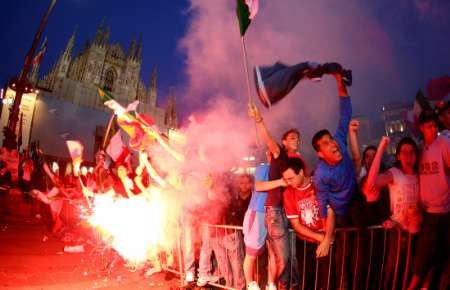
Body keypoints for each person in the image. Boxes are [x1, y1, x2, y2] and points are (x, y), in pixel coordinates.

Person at [311, 72, 361, 289]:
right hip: (339, 214)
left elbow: (345, 113)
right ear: (320, 154)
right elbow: (324, 207)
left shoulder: (340, 140)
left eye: (330, 139)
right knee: (340, 256)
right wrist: (326, 236)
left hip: (357, 201)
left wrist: (339, 81)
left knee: (361, 252)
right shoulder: (321, 175)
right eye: (325, 143)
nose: (332, 144)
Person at [248, 103, 303, 290]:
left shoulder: (295, 162)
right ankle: (283, 286)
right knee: (285, 257)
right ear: (284, 142)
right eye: (293, 138)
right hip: (275, 211)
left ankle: (277, 285)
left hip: (286, 211)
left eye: (298, 138)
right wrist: (259, 119)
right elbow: (268, 139)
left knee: (283, 256)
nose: (297, 140)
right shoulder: (279, 154)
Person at [363, 136, 421, 289]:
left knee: (414, 273)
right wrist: (381, 148)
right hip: (397, 234)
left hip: (417, 234)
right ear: (398, 156)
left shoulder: (421, 174)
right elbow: (371, 183)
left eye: (412, 152)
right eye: (404, 152)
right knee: (393, 272)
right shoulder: (394, 173)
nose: (408, 156)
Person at [408, 109, 450, 290]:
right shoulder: (419, 149)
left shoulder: (444, 144)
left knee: (442, 259)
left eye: (434, 126)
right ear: (421, 128)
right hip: (426, 214)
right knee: (423, 261)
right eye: (428, 127)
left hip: (444, 212)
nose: (433, 130)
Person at [281, 157, 335, 290]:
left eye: (291, 178)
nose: (288, 182)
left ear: (300, 172)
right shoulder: (288, 193)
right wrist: (321, 238)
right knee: (308, 280)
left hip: (328, 237)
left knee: (328, 280)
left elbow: (331, 212)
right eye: (285, 179)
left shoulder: (318, 185)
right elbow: (296, 225)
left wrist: (327, 239)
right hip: (305, 243)